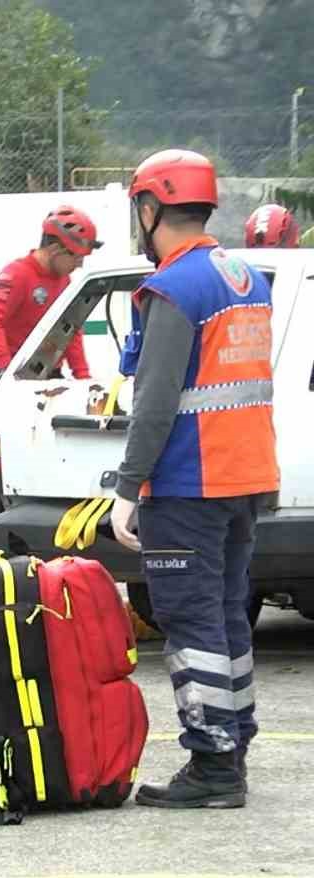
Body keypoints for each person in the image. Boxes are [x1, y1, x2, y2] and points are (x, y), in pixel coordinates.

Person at [110, 149, 277, 809]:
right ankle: (234, 744)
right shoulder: (243, 276)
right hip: (245, 477)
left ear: (150, 210)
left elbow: (155, 405)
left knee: (190, 618)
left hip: (188, 483)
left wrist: (126, 489)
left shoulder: (174, 290)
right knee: (228, 615)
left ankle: (213, 766)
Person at [0, 205, 104, 580]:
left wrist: (85, 379)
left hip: (50, 385)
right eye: (77, 257)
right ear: (57, 249)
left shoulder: (65, 284)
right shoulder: (17, 274)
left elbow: (70, 333)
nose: (78, 266)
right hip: (20, 387)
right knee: (11, 478)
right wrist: (9, 373)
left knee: (44, 474)